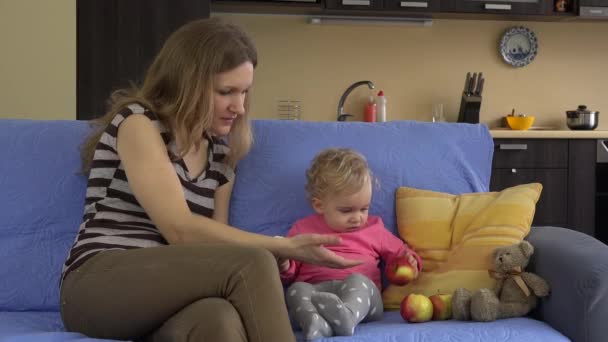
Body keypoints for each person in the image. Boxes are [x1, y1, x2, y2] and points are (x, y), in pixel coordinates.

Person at [60, 18, 361, 342]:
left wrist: (278, 258)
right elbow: (180, 229)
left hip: (164, 298)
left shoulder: (220, 158)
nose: (239, 106)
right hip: (98, 283)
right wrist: (277, 246)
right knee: (253, 263)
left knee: (218, 319)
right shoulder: (138, 123)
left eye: (245, 92)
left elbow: (214, 245)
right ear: (187, 84)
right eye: (226, 92)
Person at [279, 148, 422, 340]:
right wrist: (284, 263)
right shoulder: (302, 229)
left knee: (359, 281)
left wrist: (410, 261)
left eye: (364, 209)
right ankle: (314, 322)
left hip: (363, 300)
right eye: (346, 211)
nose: (357, 218)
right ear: (319, 205)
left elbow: (401, 253)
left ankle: (347, 317)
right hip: (316, 291)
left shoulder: (374, 228)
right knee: (297, 290)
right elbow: (289, 273)